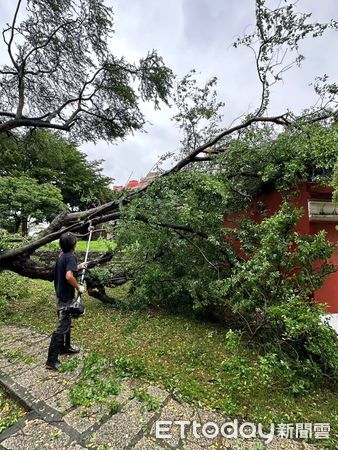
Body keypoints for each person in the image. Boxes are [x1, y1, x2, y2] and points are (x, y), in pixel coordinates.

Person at [46, 232, 86, 371]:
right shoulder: (71, 257)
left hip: (60, 293)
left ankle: (65, 348)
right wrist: (78, 287)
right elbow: (69, 276)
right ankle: (51, 361)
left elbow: (66, 270)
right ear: (73, 244)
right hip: (65, 297)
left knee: (67, 321)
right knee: (62, 326)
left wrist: (78, 267)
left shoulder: (62, 256)